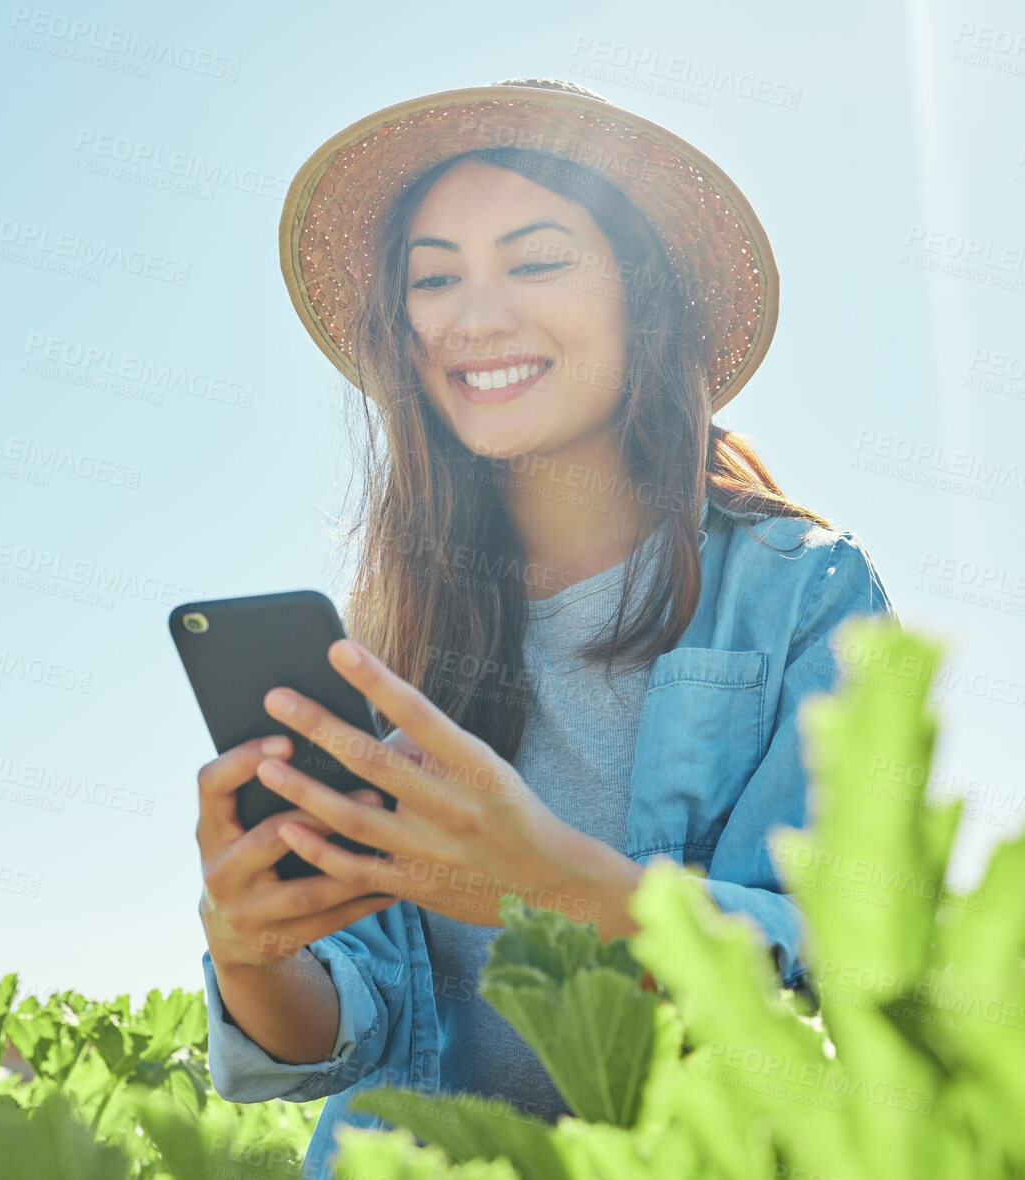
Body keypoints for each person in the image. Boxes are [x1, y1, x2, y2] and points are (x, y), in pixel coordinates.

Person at [191, 78, 897, 1179]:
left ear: (642, 297)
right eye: (435, 278)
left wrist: (544, 884)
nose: (475, 316)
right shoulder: (384, 645)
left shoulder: (805, 596)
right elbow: (335, 1030)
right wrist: (252, 950)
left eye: (536, 260)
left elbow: (830, 969)